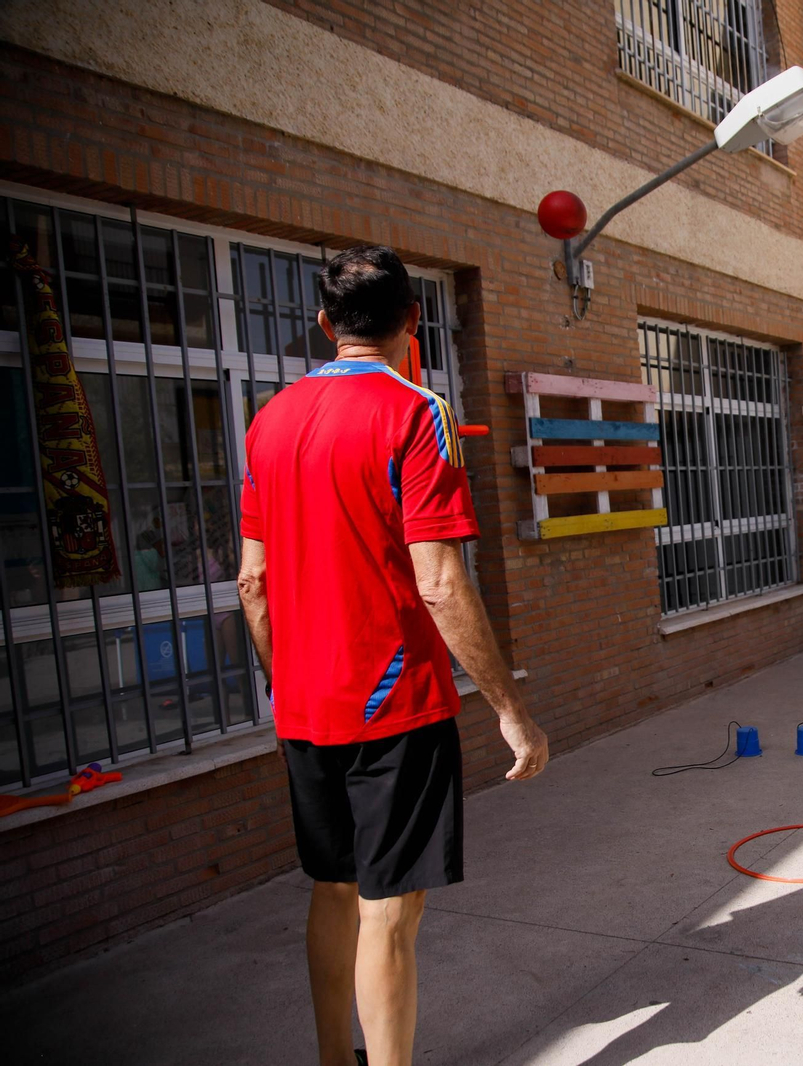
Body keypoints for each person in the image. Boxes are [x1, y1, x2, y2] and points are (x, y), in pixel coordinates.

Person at [236, 245, 548, 1066]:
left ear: (323, 324)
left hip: (304, 707)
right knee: (388, 910)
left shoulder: (267, 421)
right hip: (393, 705)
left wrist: (288, 681)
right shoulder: (416, 413)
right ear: (413, 321)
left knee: (333, 889)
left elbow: (252, 584)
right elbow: (441, 583)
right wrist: (512, 711)